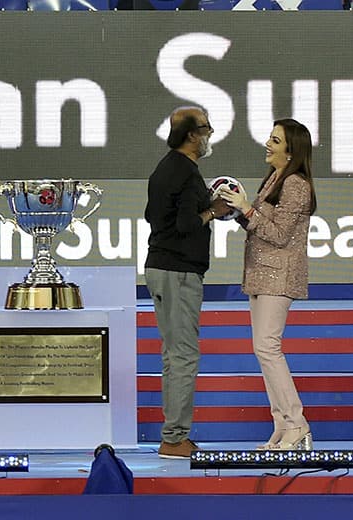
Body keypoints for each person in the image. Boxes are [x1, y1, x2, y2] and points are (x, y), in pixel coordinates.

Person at [218, 119, 315, 451]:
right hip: (260, 274)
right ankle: (281, 424)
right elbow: (259, 225)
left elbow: (278, 234)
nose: (268, 143)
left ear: (291, 151)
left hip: (279, 274)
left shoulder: (296, 184)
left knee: (268, 348)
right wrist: (237, 208)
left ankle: (297, 423)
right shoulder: (275, 179)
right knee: (263, 349)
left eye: (275, 140)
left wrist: (247, 208)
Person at [144, 106, 231, 459]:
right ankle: (174, 437)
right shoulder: (184, 172)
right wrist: (213, 211)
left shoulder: (166, 168)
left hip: (162, 268)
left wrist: (204, 207)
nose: (209, 136)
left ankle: (174, 433)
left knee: (173, 355)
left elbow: (154, 215)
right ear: (192, 135)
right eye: (206, 130)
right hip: (178, 271)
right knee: (183, 356)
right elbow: (184, 225)